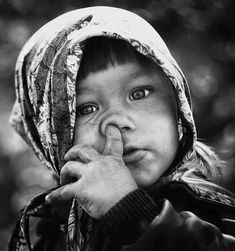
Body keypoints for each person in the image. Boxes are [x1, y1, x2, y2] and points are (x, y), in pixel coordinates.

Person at [9, 6, 235, 251]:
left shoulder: (210, 213)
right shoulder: (52, 230)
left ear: (178, 104)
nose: (117, 122)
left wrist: (130, 214)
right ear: (48, 137)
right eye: (86, 108)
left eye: (140, 93)